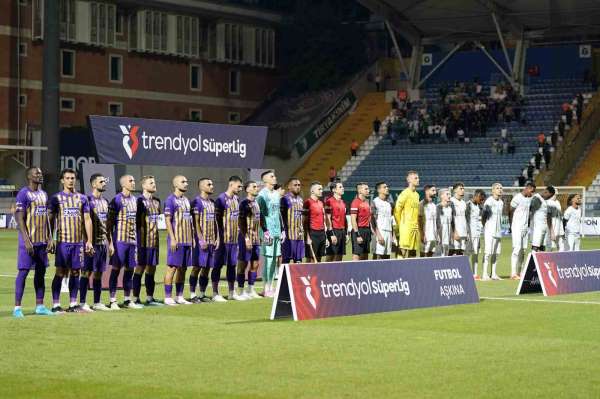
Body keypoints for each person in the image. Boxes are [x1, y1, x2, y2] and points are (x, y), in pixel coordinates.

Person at [49, 168, 94, 312]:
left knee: (76, 272)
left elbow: (87, 220)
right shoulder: (56, 198)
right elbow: (50, 220)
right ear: (62, 180)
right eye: (67, 178)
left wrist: (89, 241)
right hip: (63, 242)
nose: (70, 180)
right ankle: (56, 304)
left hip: (78, 243)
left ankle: (73, 303)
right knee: (60, 272)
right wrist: (51, 238)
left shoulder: (82, 198)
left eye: (73, 178)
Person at [13, 167, 54, 318]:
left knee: (41, 274)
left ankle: (40, 306)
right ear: (29, 176)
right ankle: (17, 308)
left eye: (41, 173)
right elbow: (19, 218)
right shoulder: (23, 193)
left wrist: (50, 238)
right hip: (28, 242)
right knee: (23, 273)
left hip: (42, 243)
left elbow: (47, 220)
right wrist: (26, 240)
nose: (40, 175)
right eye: (37, 173)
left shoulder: (43, 194)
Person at [106, 175, 139, 310]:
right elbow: (109, 223)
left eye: (133, 180)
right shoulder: (117, 200)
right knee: (116, 269)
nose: (133, 182)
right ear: (123, 183)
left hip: (132, 241)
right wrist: (111, 243)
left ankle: (127, 299)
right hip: (119, 240)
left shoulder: (135, 200)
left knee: (130, 270)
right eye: (131, 181)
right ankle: (112, 300)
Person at [80, 173, 111, 312]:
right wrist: (87, 242)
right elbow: (82, 223)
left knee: (99, 273)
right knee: (86, 272)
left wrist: (110, 243)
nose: (104, 183)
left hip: (102, 243)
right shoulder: (87, 200)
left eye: (104, 181)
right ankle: (82, 302)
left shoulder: (105, 202)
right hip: (90, 244)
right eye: (101, 181)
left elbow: (108, 225)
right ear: (93, 184)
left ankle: (97, 302)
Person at [163, 175, 194, 306]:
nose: (186, 183)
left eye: (186, 181)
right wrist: (173, 238)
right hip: (177, 240)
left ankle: (179, 296)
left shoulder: (186, 200)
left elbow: (189, 220)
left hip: (187, 241)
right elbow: (168, 220)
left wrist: (192, 238)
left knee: (183, 269)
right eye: (183, 181)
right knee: (172, 268)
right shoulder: (170, 200)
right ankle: (167, 297)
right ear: (175, 184)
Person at [213, 176, 243, 302]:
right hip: (223, 239)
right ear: (231, 184)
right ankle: (215, 293)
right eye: (239, 186)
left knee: (232, 265)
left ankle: (232, 292)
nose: (240, 189)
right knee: (218, 265)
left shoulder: (237, 199)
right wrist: (218, 237)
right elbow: (216, 220)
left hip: (234, 240)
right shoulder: (220, 199)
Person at [133, 175, 162, 306]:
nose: (154, 185)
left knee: (152, 269)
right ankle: (135, 298)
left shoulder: (157, 201)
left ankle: (150, 298)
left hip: (154, 242)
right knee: (140, 269)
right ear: (144, 186)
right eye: (151, 183)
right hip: (141, 242)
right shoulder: (138, 201)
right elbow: (135, 222)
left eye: (154, 182)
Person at [190, 178, 219, 302]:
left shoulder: (212, 202)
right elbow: (195, 222)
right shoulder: (196, 202)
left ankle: (202, 293)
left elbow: (215, 221)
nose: (212, 186)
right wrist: (201, 239)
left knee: (207, 267)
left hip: (212, 240)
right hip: (201, 241)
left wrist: (218, 238)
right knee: (197, 267)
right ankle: (192, 294)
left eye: (212, 184)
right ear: (201, 187)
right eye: (209, 184)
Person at [257, 171, 284, 297]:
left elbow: (278, 213)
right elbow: (261, 214)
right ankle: (265, 287)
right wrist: (265, 231)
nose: (275, 178)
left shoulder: (277, 195)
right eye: (272, 176)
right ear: (265, 180)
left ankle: (271, 286)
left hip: (277, 231)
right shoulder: (262, 195)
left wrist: (282, 229)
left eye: (275, 175)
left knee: (274, 260)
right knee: (268, 260)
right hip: (267, 231)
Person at [235, 181, 262, 300]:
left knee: (255, 264)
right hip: (245, 237)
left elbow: (259, 220)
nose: (257, 188)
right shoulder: (244, 204)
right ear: (247, 190)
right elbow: (240, 222)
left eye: (256, 187)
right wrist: (246, 238)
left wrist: (264, 233)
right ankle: (240, 290)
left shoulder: (256, 203)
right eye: (254, 187)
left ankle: (250, 289)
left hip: (256, 238)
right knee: (243, 263)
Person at [509, 182, 535, 279]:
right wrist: (511, 224)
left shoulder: (529, 199)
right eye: (531, 191)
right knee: (516, 249)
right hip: (516, 227)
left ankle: (520, 272)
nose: (532, 193)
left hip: (525, 228)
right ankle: (513, 273)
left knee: (523, 250)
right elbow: (510, 210)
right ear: (528, 188)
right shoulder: (517, 197)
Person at [394, 171, 421, 258]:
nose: (418, 179)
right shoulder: (405, 193)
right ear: (409, 180)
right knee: (403, 249)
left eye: (418, 178)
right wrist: (400, 224)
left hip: (415, 227)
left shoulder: (417, 195)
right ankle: (399, 268)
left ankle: (411, 270)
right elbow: (397, 210)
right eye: (415, 178)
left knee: (413, 251)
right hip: (406, 226)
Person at [481, 183, 504, 281]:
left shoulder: (501, 202)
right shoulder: (489, 202)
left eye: (501, 188)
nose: (500, 190)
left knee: (496, 253)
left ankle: (493, 274)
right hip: (490, 230)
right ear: (492, 190)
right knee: (487, 252)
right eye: (497, 188)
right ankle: (484, 274)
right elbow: (484, 216)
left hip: (498, 231)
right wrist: (485, 227)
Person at [280, 178, 305, 264]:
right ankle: (283, 277)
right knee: (286, 259)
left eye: (299, 185)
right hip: (288, 236)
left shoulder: (301, 200)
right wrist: (282, 231)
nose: (297, 187)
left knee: (298, 260)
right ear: (289, 187)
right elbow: (281, 217)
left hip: (299, 235)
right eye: (295, 185)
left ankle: (297, 277)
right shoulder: (284, 199)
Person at [371, 181, 395, 260]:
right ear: (379, 190)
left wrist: (393, 235)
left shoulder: (389, 204)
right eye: (384, 187)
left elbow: (391, 220)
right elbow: (372, 220)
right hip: (380, 232)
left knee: (387, 257)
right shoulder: (375, 202)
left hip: (388, 232)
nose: (387, 188)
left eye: (387, 187)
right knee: (378, 256)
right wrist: (378, 235)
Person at [304, 182, 327, 263]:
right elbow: (304, 221)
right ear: (312, 191)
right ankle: (308, 275)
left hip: (321, 233)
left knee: (319, 258)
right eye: (319, 189)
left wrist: (325, 235)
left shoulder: (321, 203)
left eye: (322, 189)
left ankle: (317, 275)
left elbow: (323, 219)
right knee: (311, 259)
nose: (321, 191)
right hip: (312, 233)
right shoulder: (307, 202)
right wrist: (307, 237)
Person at [325, 181, 347, 262]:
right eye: (340, 187)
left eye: (342, 187)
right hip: (334, 231)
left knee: (339, 256)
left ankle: (337, 274)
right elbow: (327, 219)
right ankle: (326, 273)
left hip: (342, 231)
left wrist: (346, 233)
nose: (343, 188)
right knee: (330, 256)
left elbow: (344, 218)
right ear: (334, 190)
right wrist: (331, 234)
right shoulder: (329, 201)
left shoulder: (343, 202)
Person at [466, 189, 485, 278]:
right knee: (467, 253)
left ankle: (475, 274)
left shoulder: (479, 206)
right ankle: (465, 271)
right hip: (470, 233)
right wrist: (467, 232)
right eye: (481, 199)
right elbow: (465, 220)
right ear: (476, 196)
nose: (482, 201)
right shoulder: (468, 205)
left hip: (477, 234)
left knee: (476, 253)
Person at [350, 183, 372, 261]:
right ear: (359, 191)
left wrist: (370, 231)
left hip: (366, 231)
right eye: (366, 189)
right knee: (357, 255)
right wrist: (357, 234)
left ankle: (364, 273)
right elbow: (353, 219)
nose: (368, 191)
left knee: (365, 255)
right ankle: (354, 273)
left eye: (368, 189)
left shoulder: (366, 203)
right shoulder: (355, 202)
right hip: (359, 230)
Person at [530, 186, 555, 252]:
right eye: (549, 196)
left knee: (542, 249)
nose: (549, 198)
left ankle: (539, 262)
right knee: (535, 248)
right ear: (546, 192)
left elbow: (548, 216)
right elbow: (530, 211)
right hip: (537, 228)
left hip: (544, 228)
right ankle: (531, 261)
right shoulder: (537, 198)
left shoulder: (545, 201)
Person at [419, 185, 439, 257]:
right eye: (433, 190)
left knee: (431, 255)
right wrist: (422, 234)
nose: (435, 192)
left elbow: (435, 222)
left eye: (435, 190)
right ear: (427, 191)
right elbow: (419, 220)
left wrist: (436, 234)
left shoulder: (434, 205)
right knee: (423, 255)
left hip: (433, 235)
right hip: (425, 235)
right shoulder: (422, 204)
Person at [450, 182, 468, 256]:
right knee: (454, 254)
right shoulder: (451, 201)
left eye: (463, 189)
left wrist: (467, 231)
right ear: (455, 190)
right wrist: (454, 231)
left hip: (463, 232)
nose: (463, 190)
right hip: (455, 232)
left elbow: (465, 218)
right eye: (460, 188)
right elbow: (450, 218)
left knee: (462, 254)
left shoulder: (464, 203)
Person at [437, 189, 454, 257]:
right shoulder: (437, 207)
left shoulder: (450, 208)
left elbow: (451, 223)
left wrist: (452, 235)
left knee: (447, 253)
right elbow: (435, 223)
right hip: (440, 236)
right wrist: (437, 235)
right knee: (439, 255)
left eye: (450, 194)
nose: (449, 196)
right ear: (441, 196)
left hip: (448, 235)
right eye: (447, 194)